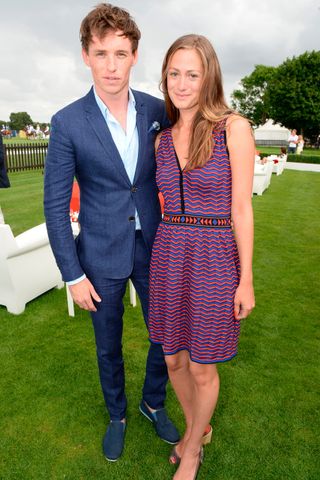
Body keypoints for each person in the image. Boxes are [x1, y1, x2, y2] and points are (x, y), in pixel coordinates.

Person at [44, 3, 179, 462]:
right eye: (101, 53)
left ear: (135, 54)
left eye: (120, 53)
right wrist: (72, 274)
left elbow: (204, 132)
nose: (111, 66)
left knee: (164, 336)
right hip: (98, 253)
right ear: (86, 55)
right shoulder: (67, 122)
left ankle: (153, 401)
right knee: (109, 344)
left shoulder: (161, 110)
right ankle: (117, 413)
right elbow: (54, 205)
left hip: (155, 246)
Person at [148, 34, 255, 480]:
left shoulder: (234, 128)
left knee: (202, 364)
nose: (182, 82)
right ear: (165, 77)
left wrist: (245, 278)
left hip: (214, 256)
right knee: (172, 357)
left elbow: (242, 208)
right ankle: (200, 428)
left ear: (209, 75)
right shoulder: (160, 140)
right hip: (169, 254)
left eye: (192, 73)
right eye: (175, 73)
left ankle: (191, 450)